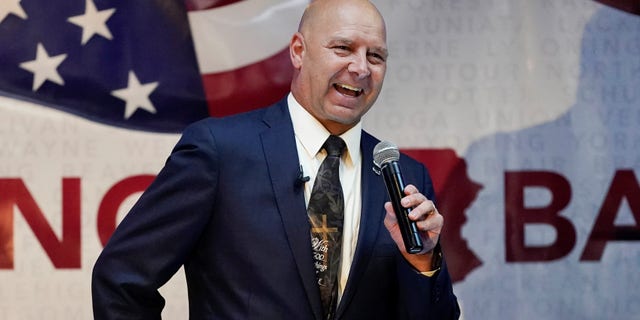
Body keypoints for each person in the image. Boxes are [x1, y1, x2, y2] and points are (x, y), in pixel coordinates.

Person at [91, 0, 460, 319]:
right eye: (344, 48)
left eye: (375, 55)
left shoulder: (405, 178)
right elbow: (120, 279)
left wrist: (423, 262)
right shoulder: (219, 151)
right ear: (299, 51)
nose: (361, 68)